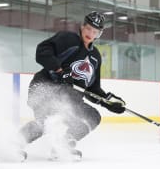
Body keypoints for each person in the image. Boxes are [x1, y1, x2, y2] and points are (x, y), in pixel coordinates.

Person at [19, 11, 126, 160]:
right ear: (82, 27)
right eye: (88, 28)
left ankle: (62, 145)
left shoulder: (95, 57)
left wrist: (108, 101)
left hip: (69, 99)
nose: (90, 33)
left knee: (91, 116)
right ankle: (14, 143)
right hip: (45, 88)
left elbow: (91, 89)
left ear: (99, 34)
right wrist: (59, 70)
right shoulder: (68, 39)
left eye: (95, 31)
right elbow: (42, 51)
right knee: (47, 121)